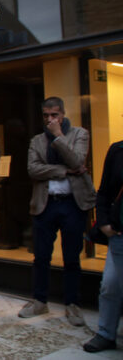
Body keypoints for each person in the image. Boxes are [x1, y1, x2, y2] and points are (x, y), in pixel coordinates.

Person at [18, 96, 96, 326]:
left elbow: (77, 160)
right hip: (46, 203)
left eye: (54, 115)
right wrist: (65, 171)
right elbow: (33, 169)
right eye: (46, 115)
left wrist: (59, 137)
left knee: (71, 257)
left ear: (62, 114)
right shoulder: (37, 140)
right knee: (41, 256)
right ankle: (40, 301)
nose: (50, 119)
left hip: (73, 203)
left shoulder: (79, 134)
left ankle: (72, 304)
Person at [83, 140, 123, 353]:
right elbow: (105, 191)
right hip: (118, 233)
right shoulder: (117, 150)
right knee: (110, 285)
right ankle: (106, 333)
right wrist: (104, 222)